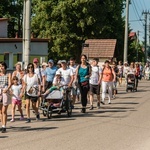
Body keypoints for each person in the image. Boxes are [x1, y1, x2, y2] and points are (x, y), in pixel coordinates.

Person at [0, 61, 12, 133]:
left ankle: (4, 125)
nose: (1, 67)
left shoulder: (8, 74)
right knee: (0, 111)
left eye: (2, 66)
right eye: (0, 66)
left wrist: (6, 89)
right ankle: (2, 125)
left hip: (5, 92)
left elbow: (10, 83)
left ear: (5, 67)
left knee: (4, 110)